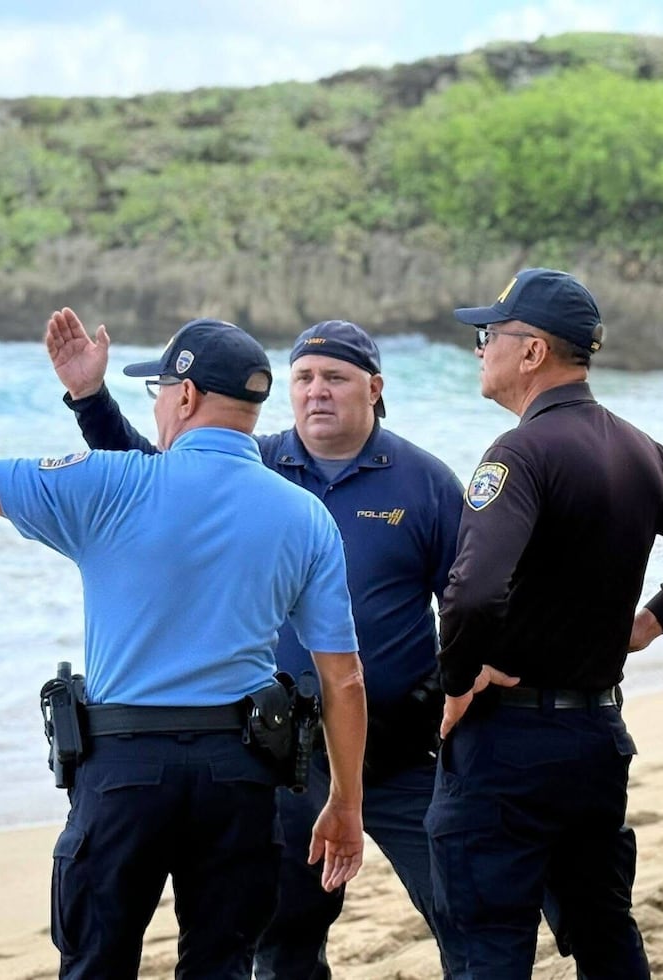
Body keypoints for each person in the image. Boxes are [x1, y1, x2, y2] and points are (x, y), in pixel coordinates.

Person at [44, 315, 466, 978]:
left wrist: (449, 688)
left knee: (461, 904)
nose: (317, 391)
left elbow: (468, 601)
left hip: (400, 748)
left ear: (375, 388)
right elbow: (151, 480)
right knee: (287, 923)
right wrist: (92, 402)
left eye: (335, 377)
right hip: (284, 750)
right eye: (304, 377)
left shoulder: (425, 483)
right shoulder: (254, 464)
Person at [0, 309, 367, 979]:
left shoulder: (108, 484)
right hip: (239, 775)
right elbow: (343, 680)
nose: (158, 405)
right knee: (221, 967)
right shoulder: (306, 515)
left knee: (96, 966)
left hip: (124, 774)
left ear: (187, 394)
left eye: (159, 390)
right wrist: (345, 802)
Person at [427, 267, 663, 979]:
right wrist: (650, 622)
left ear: (533, 351)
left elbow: (472, 593)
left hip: (508, 743)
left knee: (487, 945)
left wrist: (455, 682)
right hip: (595, 739)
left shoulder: (519, 453)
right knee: (605, 931)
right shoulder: (639, 449)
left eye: (488, 336)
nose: (479, 350)